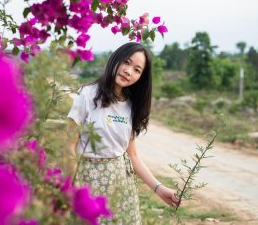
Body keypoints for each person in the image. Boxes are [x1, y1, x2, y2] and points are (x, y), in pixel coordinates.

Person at [67, 42, 180, 224]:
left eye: (137, 70)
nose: (129, 71)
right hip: (88, 181)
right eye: (126, 62)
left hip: (121, 185)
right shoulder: (86, 95)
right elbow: (68, 147)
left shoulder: (131, 106)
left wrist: (159, 189)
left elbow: (132, 155)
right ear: (115, 59)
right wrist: (78, 191)